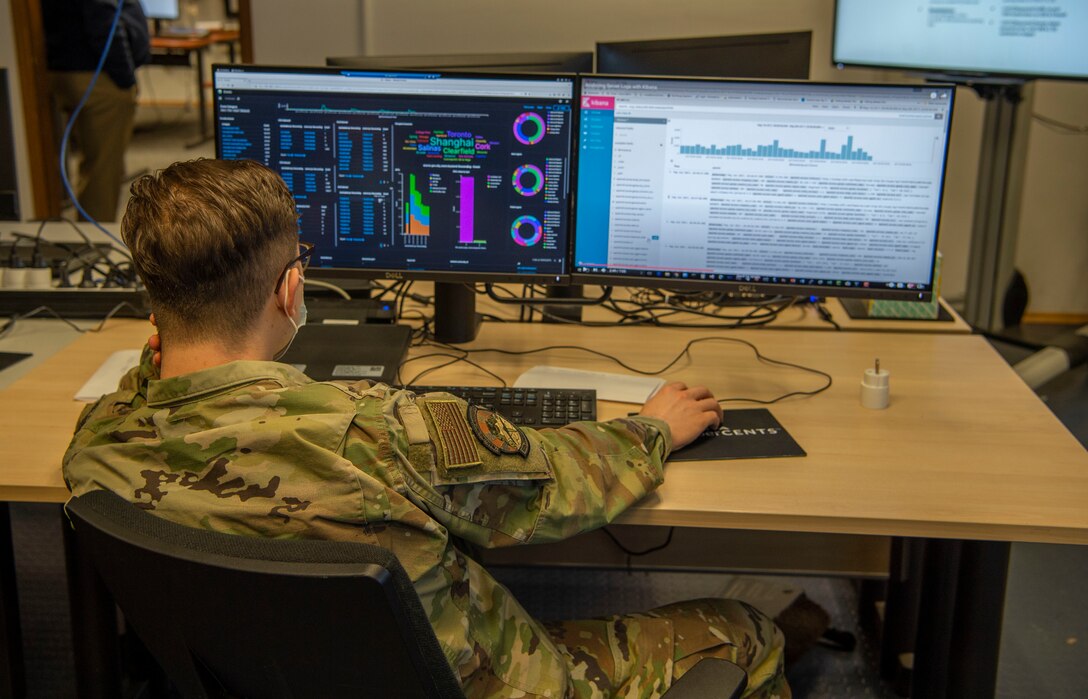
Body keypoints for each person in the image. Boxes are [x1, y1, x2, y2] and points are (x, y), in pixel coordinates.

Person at [63, 159, 790, 698]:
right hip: (474, 686)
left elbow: (137, 402)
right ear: (291, 290)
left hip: (268, 678)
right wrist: (652, 428)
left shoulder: (101, 439)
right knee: (748, 629)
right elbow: (562, 486)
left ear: (155, 306)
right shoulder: (386, 430)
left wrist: (149, 369)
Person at [42, 0, 150, 222]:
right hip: (97, 76)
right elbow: (104, 22)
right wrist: (125, 79)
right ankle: (95, 246)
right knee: (102, 171)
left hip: (68, 67)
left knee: (92, 163)